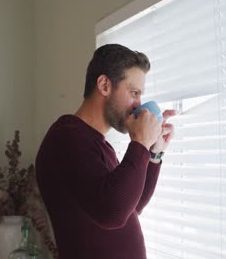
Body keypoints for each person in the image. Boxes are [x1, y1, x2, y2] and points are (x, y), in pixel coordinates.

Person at [35, 44, 176, 259]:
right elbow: (113, 213)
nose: (139, 105)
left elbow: (130, 208)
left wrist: (153, 153)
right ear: (104, 85)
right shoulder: (66, 138)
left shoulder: (97, 143)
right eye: (134, 93)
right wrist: (139, 143)